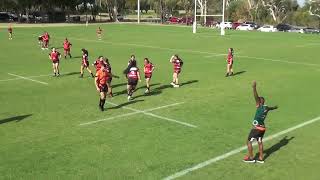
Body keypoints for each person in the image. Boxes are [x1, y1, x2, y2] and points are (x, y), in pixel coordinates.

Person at [243, 81, 278, 163]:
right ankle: (261, 158)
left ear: (260, 102)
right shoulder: (266, 108)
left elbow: (255, 95)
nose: (257, 100)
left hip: (257, 128)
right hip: (263, 128)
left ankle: (251, 158)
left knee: (248, 141)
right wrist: (275, 107)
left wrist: (254, 87)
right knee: (259, 142)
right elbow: (271, 108)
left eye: (258, 100)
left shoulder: (259, 105)